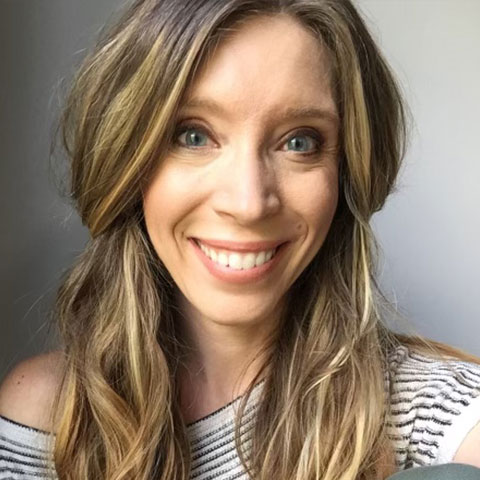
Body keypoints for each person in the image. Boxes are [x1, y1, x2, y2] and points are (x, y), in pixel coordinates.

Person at [0, 0, 479, 479]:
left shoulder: (423, 409)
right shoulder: (45, 421)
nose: (249, 204)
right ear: (127, 158)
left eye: (299, 142)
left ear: (347, 171)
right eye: (193, 135)